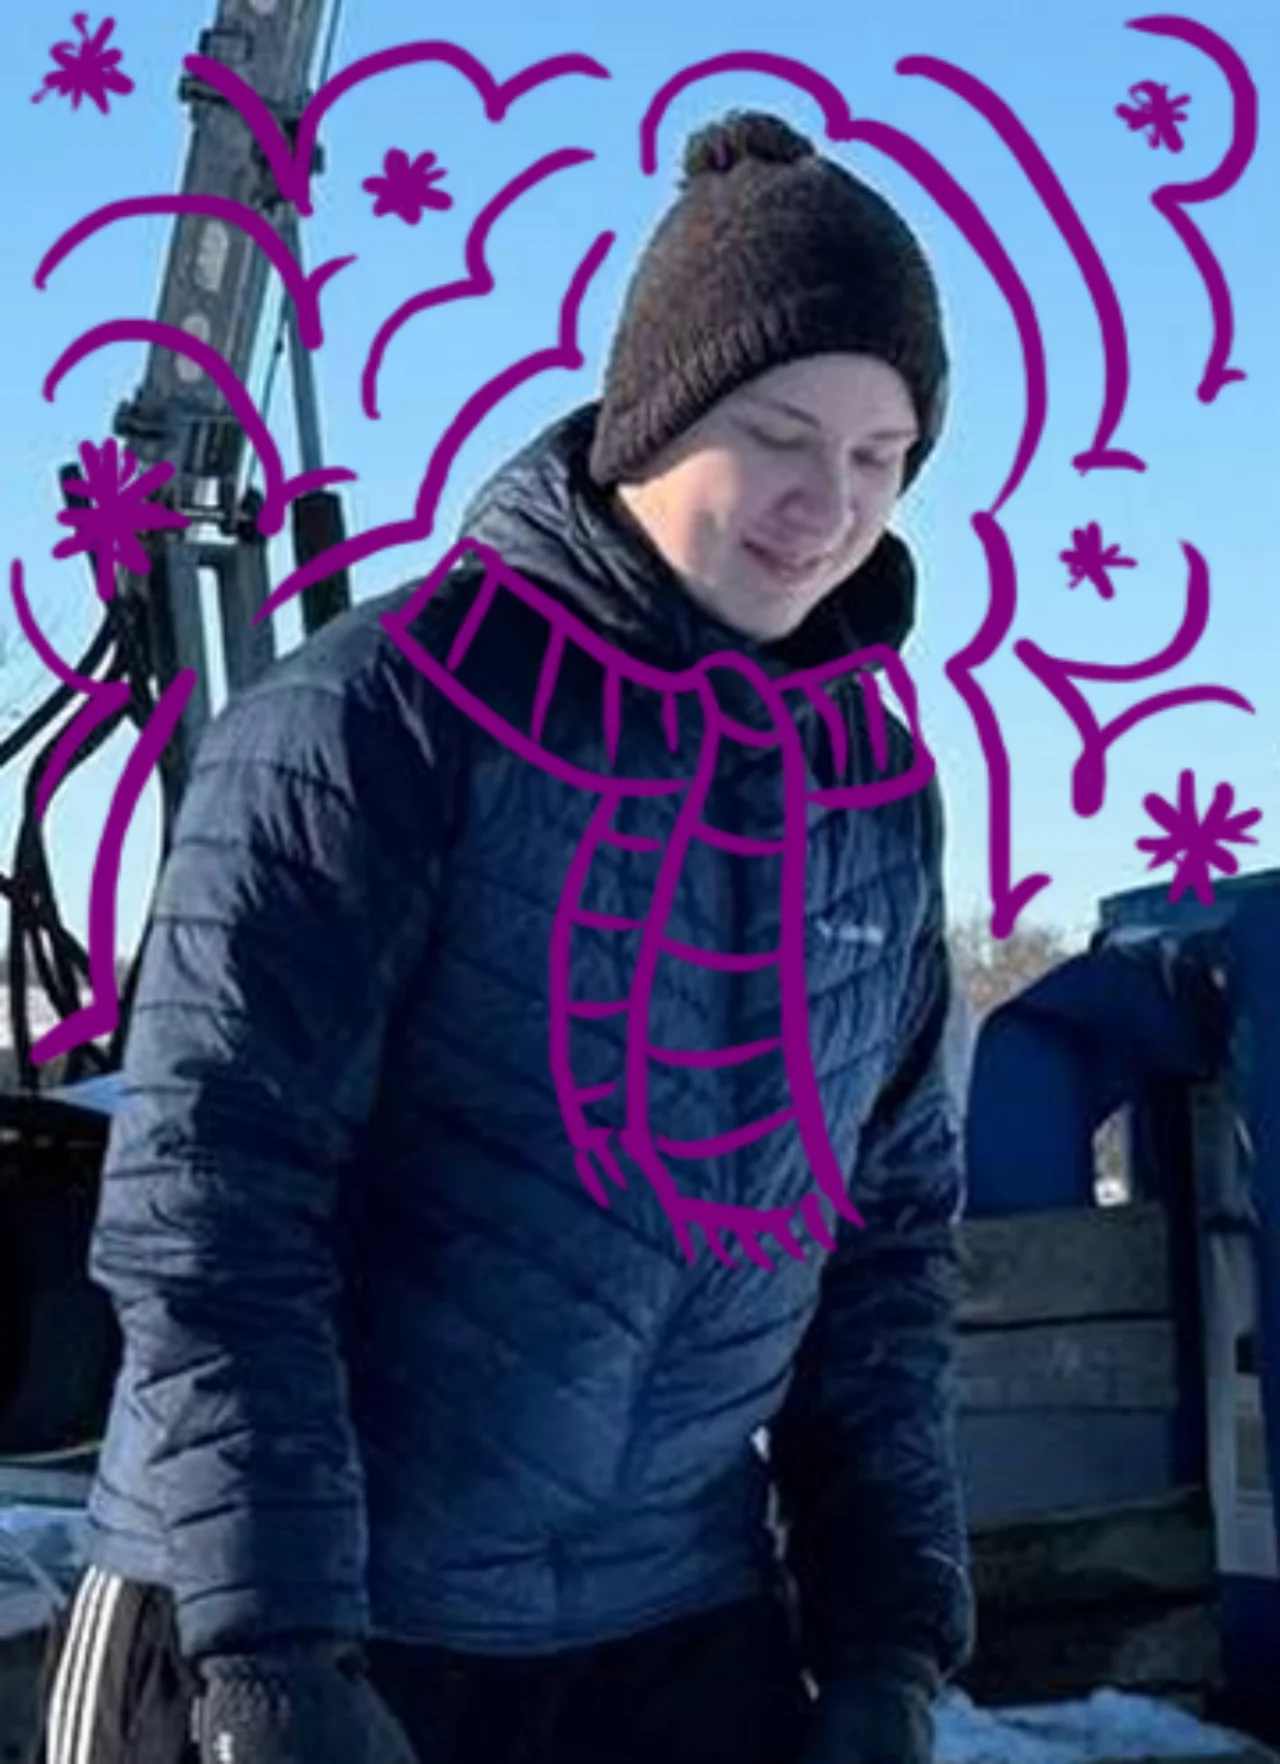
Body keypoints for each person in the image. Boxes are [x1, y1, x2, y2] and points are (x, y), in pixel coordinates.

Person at [27, 108, 974, 1764]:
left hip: (674, 1637)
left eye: (880, 457)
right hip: (312, 1626)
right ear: (652, 419)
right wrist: (278, 1661)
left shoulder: (874, 789)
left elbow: (883, 1252)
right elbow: (214, 1212)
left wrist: (886, 1644)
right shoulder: (373, 723)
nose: (827, 505)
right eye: (779, 433)